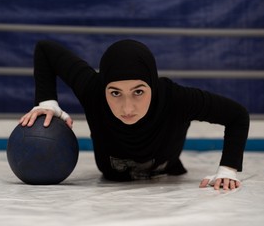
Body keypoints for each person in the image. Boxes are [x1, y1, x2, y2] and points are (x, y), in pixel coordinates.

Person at [19, 39, 249, 190]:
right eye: (115, 93)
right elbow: (45, 49)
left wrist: (228, 169)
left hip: (167, 176)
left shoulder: (176, 98)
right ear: (104, 88)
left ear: (152, 85)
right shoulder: (92, 90)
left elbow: (237, 116)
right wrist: (47, 102)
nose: (127, 108)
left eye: (138, 92)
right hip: (109, 186)